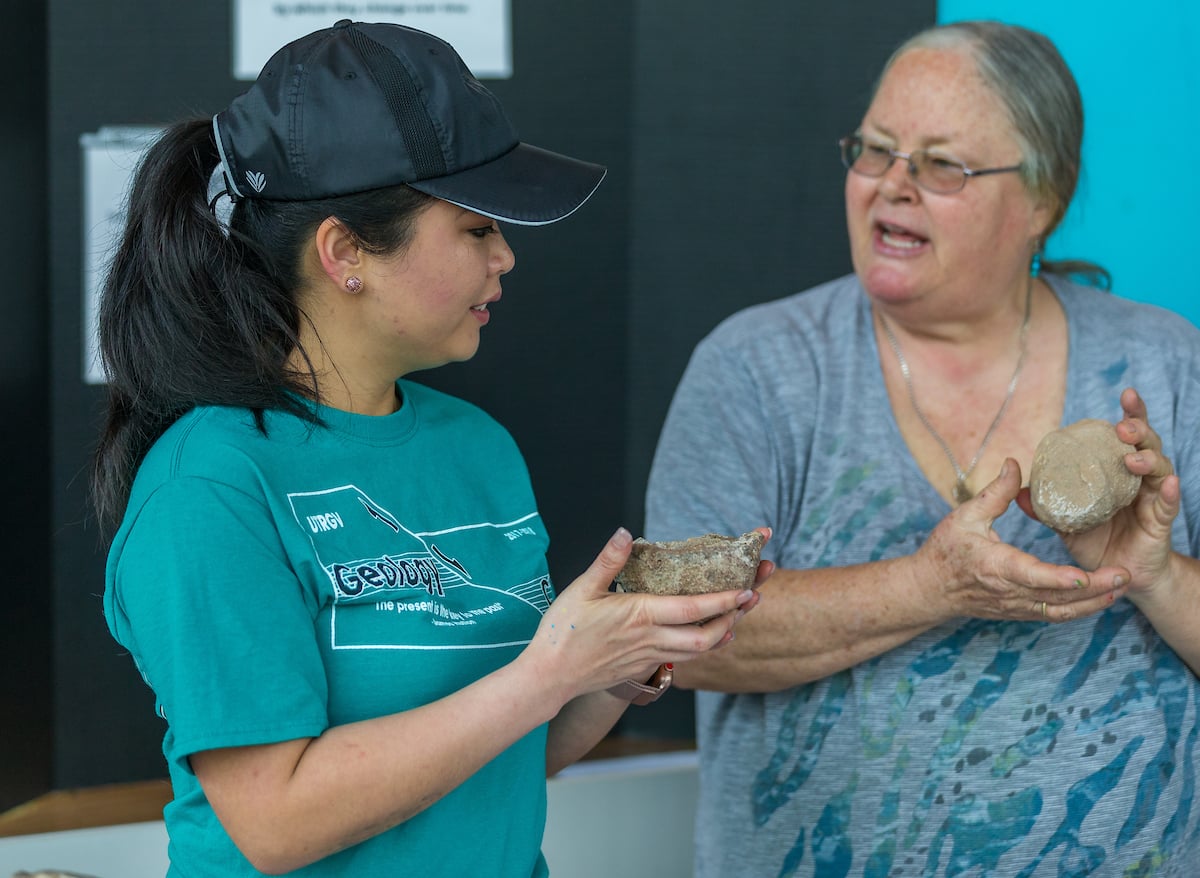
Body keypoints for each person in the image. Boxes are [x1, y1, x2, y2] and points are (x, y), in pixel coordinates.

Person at [93, 21, 767, 877]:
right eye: (476, 227)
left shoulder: (477, 448)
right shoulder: (212, 488)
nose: (507, 256)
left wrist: (623, 662)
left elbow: (507, 756)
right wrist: (545, 672)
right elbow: (274, 822)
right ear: (347, 253)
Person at [646, 19, 1200, 878]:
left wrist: (1158, 576)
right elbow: (669, 641)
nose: (891, 186)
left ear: (1044, 200)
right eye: (874, 151)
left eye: (943, 165)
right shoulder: (757, 370)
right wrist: (931, 586)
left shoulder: (1169, 366)